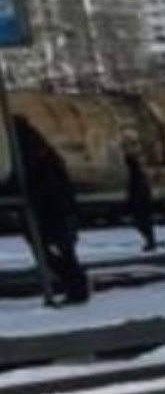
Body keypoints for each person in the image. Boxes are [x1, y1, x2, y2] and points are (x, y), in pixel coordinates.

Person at [14, 117, 89, 306]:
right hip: (59, 209)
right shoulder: (43, 151)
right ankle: (77, 289)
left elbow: (25, 177)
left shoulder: (27, 151)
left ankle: (77, 290)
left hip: (50, 210)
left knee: (52, 252)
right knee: (64, 252)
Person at [121, 147, 159, 253]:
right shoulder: (138, 174)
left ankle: (150, 242)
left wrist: (132, 201)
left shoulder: (135, 175)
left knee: (141, 223)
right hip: (141, 203)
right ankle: (150, 242)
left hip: (139, 203)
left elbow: (137, 189)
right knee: (144, 223)